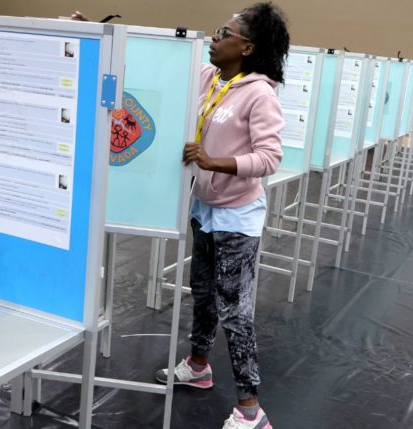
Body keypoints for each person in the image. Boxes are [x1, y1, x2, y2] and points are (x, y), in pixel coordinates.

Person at [73, 3, 289, 428]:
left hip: (237, 217)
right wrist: (97, 38)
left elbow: (269, 158)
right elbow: (160, 63)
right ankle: (199, 364)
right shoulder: (210, 79)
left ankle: (251, 409)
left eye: (223, 32)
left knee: (235, 310)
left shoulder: (260, 93)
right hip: (204, 209)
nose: (214, 37)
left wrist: (215, 162)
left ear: (245, 47)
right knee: (204, 295)